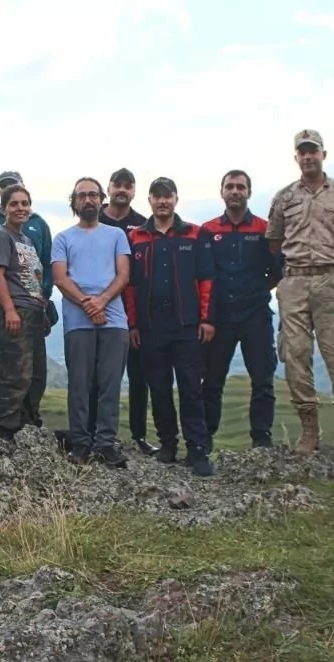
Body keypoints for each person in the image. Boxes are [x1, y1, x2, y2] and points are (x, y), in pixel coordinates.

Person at [265, 129, 334, 469]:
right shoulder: (283, 198)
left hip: (333, 280)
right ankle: (309, 430)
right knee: (295, 355)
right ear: (296, 157)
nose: (308, 157)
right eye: (302, 152)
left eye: (314, 151)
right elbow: (274, 241)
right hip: (294, 281)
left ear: (324, 154)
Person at [124, 177, 216, 477]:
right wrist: (134, 324)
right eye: (157, 196)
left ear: (176, 199)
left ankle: (197, 450)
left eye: (168, 196)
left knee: (191, 388)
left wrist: (206, 319)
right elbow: (131, 286)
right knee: (159, 389)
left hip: (187, 325)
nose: (162, 201)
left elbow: (206, 279)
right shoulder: (136, 237)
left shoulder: (195, 234)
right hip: (151, 327)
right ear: (149, 200)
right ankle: (167, 445)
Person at [199, 170, 283, 448]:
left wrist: (257, 291)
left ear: (249, 191)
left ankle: (261, 441)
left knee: (262, 381)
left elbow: (278, 270)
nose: (235, 191)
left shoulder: (264, 228)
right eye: (230, 187)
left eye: (240, 187)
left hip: (255, 316)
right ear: (221, 192)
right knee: (211, 382)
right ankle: (204, 440)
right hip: (219, 317)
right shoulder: (208, 230)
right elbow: (203, 273)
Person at [52, 177, 130, 467]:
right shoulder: (63, 238)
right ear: (74, 201)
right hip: (78, 321)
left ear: (101, 200)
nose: (88, 200)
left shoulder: (116, 236)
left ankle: (106, 443)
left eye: (93, 195)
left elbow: (123, 274)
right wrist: (89, 303)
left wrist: (102, 301)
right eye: (82, 195)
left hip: (114, 320)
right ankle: (81, 443)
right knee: (80, 385)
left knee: (110, 385)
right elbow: (60, 278)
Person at [0, 171, 55, 407]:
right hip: (11, 312)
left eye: (25, 203)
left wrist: (43, 305)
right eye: (14, 204)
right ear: (4, 208)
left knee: (35, 376)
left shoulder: (28, 239)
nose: (20, 208)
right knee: (13, 376)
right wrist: (9, 310)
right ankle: (2, 430)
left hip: (33, 311)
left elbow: (39, 273)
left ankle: (28, 429)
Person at [98, 167, 156, 456]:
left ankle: (138, 436)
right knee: (97, 374)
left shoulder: (144, 225)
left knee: (138, 375)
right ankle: (94, 433)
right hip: (95, 306)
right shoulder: (93, 218)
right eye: (117, 184)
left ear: (134, 191)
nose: (122, 190)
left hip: (135, 310)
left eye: (128, 186)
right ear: (108, 188)